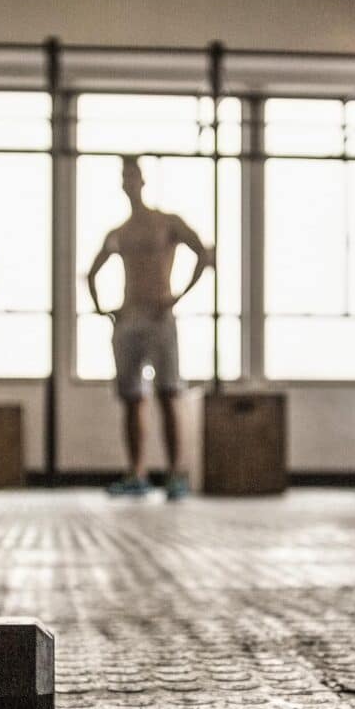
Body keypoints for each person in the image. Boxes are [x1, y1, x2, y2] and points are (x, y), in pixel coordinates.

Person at [86, 155, 213, 498]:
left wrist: (177, 296)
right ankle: (136, 473)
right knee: (131, 398)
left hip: (160, 317)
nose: (130, 183)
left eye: (134, 176)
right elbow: (93, 271)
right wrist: (104, 310)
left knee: (168, 393)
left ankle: (174, 475)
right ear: (122, 184)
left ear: (142, 181)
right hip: (128, 319)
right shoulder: (120, 232)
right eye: (124, 178)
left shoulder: (166, 223)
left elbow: (203, 253)